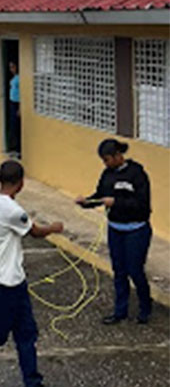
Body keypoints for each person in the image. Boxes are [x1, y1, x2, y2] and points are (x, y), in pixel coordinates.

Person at [0, 160, 67, 387]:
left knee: (26, 333)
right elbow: (35, 232)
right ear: (20, 183)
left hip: (7, 279)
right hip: (5, 283)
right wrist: (54, 228)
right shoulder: (14, 211)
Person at [76, 139, 152, 325]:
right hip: (115, 229)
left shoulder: (137, 173)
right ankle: (120, 311)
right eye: (103, 160)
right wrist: (86, 202)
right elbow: (100, 196)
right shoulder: (107, 175)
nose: (106, 164)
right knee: (119, 271)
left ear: (118, 156)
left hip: (136, 230)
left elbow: (142, 205)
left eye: (108, 159)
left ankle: (145, 308)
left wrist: (116, 202)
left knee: (135, 270)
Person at [7, 62, 21, 157]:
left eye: (13, 67)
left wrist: (20, 108)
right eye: (10, 67)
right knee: (12, 126)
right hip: (12, 102)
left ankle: (19, 149)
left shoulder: (19, 78)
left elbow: (21, 93)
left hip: (17, 103)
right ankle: (14, 147)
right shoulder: (14, 77)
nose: (11, 69)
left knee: (17, 126)